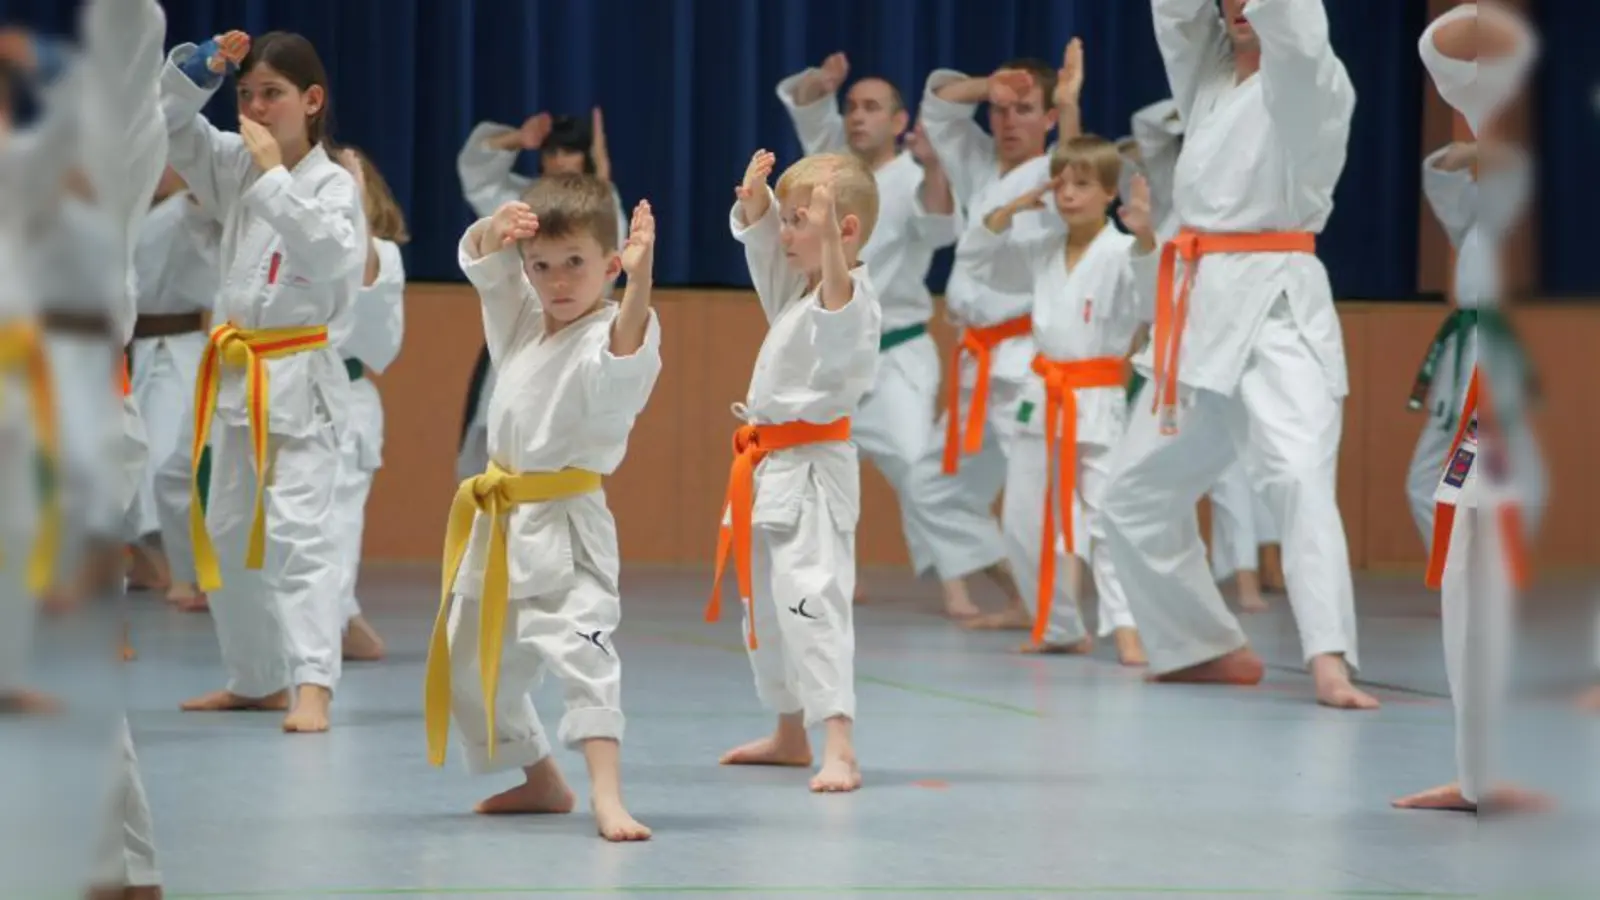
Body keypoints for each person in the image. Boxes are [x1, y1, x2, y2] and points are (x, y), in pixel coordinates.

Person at [1100, 0, 1375, 709]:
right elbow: (1176, 19)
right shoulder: (1210, 83)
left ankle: (1329, 658)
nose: (1243, 4)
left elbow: (1298, 35)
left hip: (1278, 306)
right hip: (1200, 312)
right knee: (1131, 494)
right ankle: (1201, 644)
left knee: (1297, 476)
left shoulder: (1311, 79)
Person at [426, 177, 660, 842]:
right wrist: (493, 231)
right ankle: (540, 778)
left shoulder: (609, 331)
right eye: (542, 266)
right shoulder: (523, 322)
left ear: (610, 265)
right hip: (499, 521)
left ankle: (608, 796)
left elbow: (626, 353)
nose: (558, 281)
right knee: (467, 661)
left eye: (575, 263)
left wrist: (640, 283)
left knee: (584, 651)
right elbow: (486, 267)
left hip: (567, 522)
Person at [161, 29, 366, 732]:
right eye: (246, 94)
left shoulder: (332, 184)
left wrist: (276, 178)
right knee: (223, 533)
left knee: (300, 538)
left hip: (300, 380)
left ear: (312, 101)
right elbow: (167, 125)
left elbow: (333, 257)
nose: (253, 108)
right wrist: (200, 69)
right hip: (236, 376)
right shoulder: (234, 165)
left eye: (271, 93)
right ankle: (257, 680)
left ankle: (314, 685)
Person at [1392, 0, 1548, 815]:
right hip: (1489, 401)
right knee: (1466, 576)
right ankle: (1480, 773)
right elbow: (1440, 42)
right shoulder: (1499, 131)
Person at [709, 149, 880, 793]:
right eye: (784, 220)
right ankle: (789, 732)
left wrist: (828, 236)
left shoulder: (851, 298)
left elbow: (838, 301)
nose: (784, 233)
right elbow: (765, 256)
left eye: (797, 220)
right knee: (764, 609)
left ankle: (839, 744)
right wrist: (758, 204)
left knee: (811, 599)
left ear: (844, 231)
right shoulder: (798, 293)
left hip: (813, 472)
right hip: (768, 468)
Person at [960, 123, 1150, 664]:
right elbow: (979, 262)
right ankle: (1060, 625)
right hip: (1042, 394)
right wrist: (1011, 209)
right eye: (1060, 183)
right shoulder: (1041, 249)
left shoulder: (1121, 252)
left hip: (1098, 398)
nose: (1067, 194)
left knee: (1105, 518)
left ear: (1109, 192)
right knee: (1022, 520)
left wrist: (1147, 239)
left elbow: (1151, 299)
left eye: (1082, 184)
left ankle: (1126, 625)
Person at [901, 46, 1075, 628]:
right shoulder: (977, 163)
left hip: (1028, 359)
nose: (1009, 121)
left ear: (1050, 117)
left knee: (1033, 493)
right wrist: (987, 86)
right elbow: (937, 108)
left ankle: (1059, 614)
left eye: (1024, 109)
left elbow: (1078, 159)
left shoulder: (1059, 175)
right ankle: (1025, 598)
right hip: (977, 358)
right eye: (1001, 110)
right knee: (931, 486)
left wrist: (1069, 106)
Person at [774, 54, 958, 604]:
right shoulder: (832, 169)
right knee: (818, 466)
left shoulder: (915, 176)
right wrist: (820, 83)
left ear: (900, 122)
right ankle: (831, 575)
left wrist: (937, 166)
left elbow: (940, 229)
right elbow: (807, 103)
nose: (857, 116)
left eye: (872, 107)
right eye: (852, 106)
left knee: (917, 467)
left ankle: (956, 586)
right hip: (833, 347)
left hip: (897, 350)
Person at [1119, 99, 1269, 614]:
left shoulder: (1248, 194)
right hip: (1167, 347)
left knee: (1231, 475)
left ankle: (1245, 579)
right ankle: (1166, 591)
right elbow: (1146, 125)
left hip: (1224, 344)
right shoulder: (1169, 194)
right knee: (1149, 474)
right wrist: (1203, 102)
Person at [455, 109, 625, 483]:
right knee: (492, 444)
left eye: (569, 151)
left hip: (575, 339)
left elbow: (607, 248)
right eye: (551, 152)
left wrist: (602, 179)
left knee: (559, 449)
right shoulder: (522, 206)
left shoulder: (602, 206)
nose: (559, 161)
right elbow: (476, 176)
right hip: (520, 334)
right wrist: (517, 140)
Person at [125, 168, 220, 604]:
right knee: (126, 461)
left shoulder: (190, 209)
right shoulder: (127, 212)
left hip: (176, 349)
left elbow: (208, 203)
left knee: (165, 461)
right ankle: (145, 563)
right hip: (129, 349)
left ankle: (191, 571)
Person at [326, 145, 407, 662]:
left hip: (342, 400)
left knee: (333, 527)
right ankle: (342, 617)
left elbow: (380, 347)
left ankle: (326, 634)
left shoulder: (380, 256)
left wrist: (353, 225)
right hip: (268, 395)